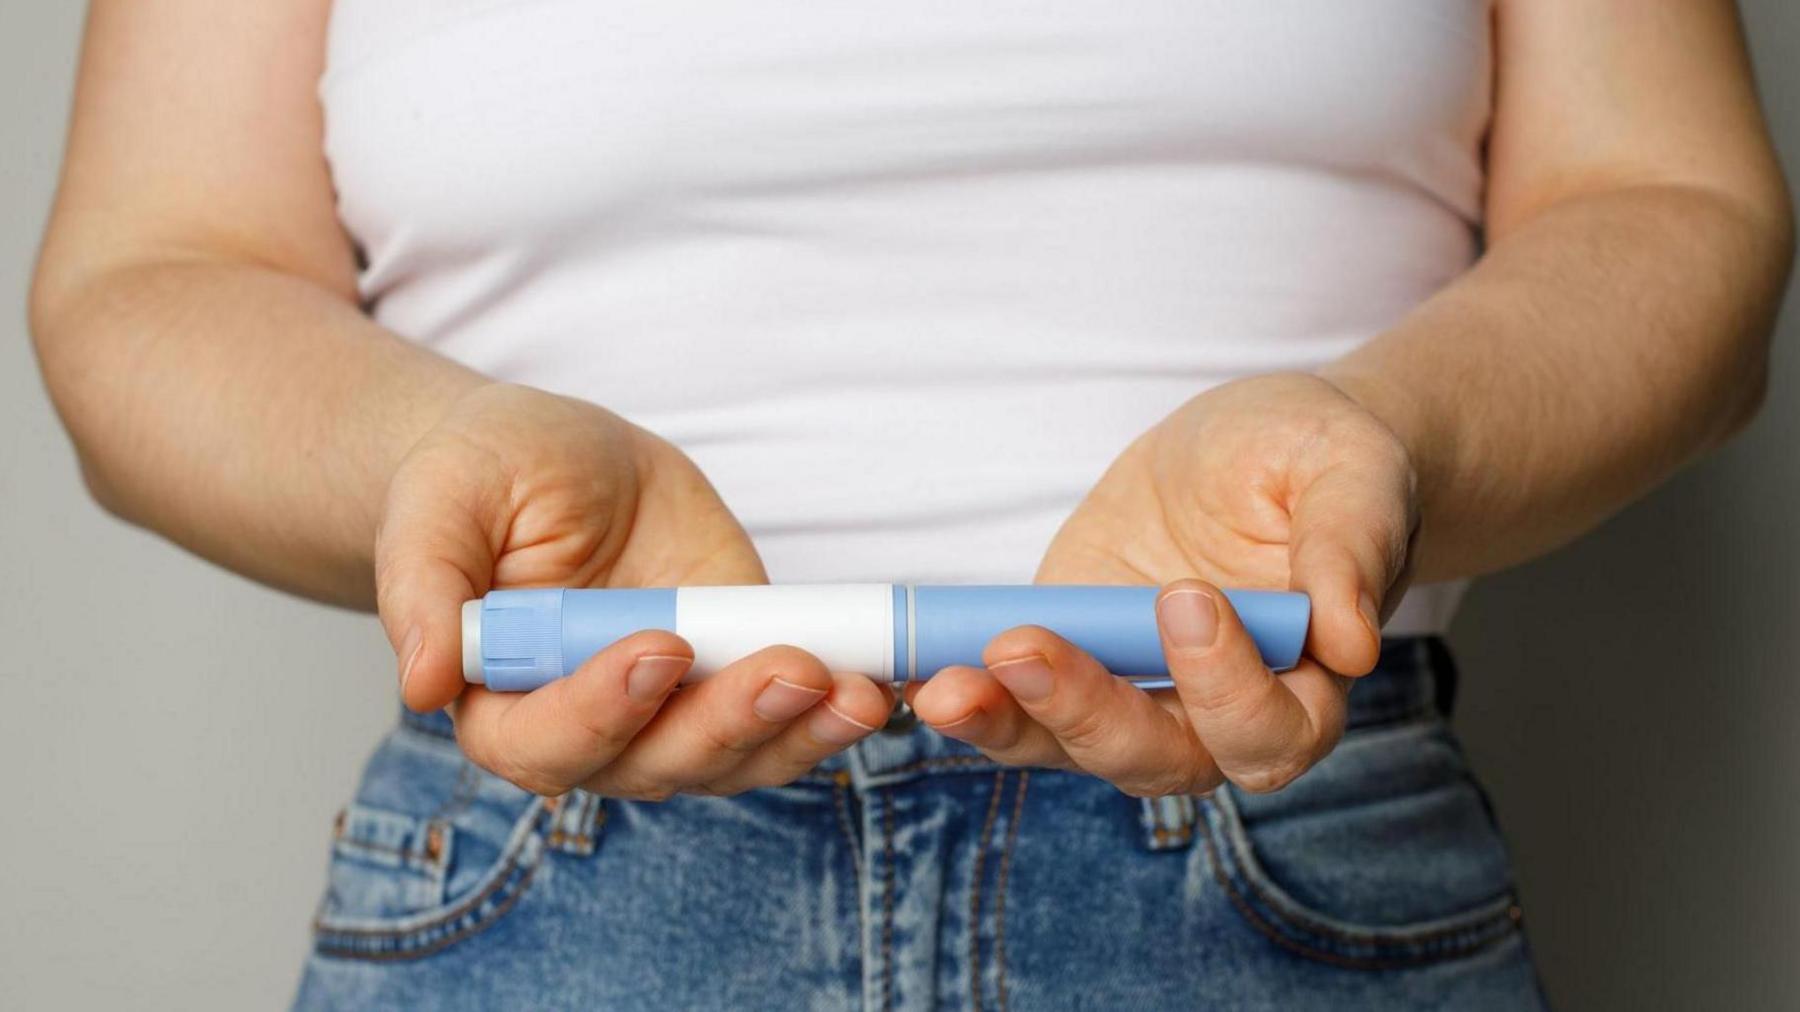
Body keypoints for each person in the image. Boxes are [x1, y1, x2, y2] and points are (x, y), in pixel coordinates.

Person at [29, 1, 1791, 1008]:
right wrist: (431, 459)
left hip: (1288, 847)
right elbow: (155, 269)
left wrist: (1376, 434)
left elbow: (1666, 199)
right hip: (554, 881)